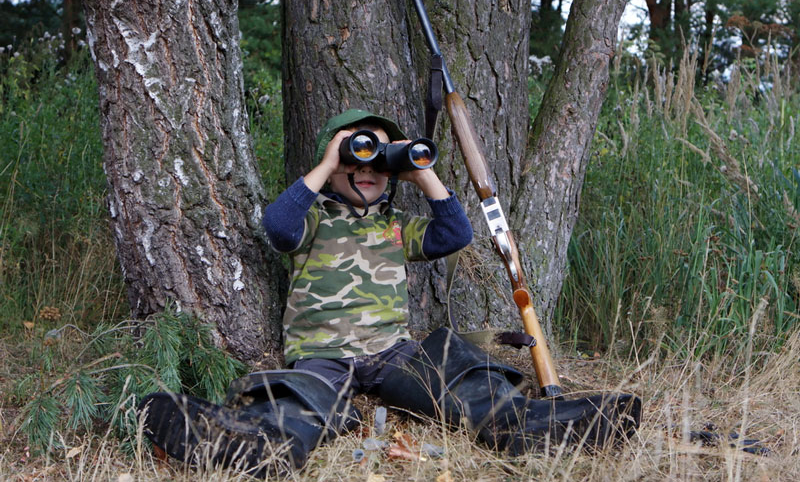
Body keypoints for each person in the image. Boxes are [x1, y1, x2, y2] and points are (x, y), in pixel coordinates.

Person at [138, 109, 640, 478]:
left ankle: (532, 423)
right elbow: (278, 225)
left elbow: (454, 236)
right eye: (355, 155)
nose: (368, 167)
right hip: (324, 355)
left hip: (392, 351)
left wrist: (419, 169)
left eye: (381, 160)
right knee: (302, 402)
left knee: (452, 365)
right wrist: (329, 159)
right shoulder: (313, 219)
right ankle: (249, 442)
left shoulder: (396, 225)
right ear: (333, 163)